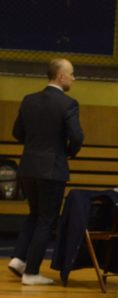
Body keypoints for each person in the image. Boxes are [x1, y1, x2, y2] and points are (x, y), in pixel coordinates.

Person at [8, 58, 83, 285]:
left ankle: (19, 259)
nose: (73, 78)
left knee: (34, 214)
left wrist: (34, 145)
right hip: (52, 169)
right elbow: (77, 137)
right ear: (61, 76)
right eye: (71, 73)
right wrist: (67, 152)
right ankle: (31, 273)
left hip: (28, 167)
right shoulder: (68, 104)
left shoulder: (29, 100)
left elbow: (17, 132)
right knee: (47, 220)